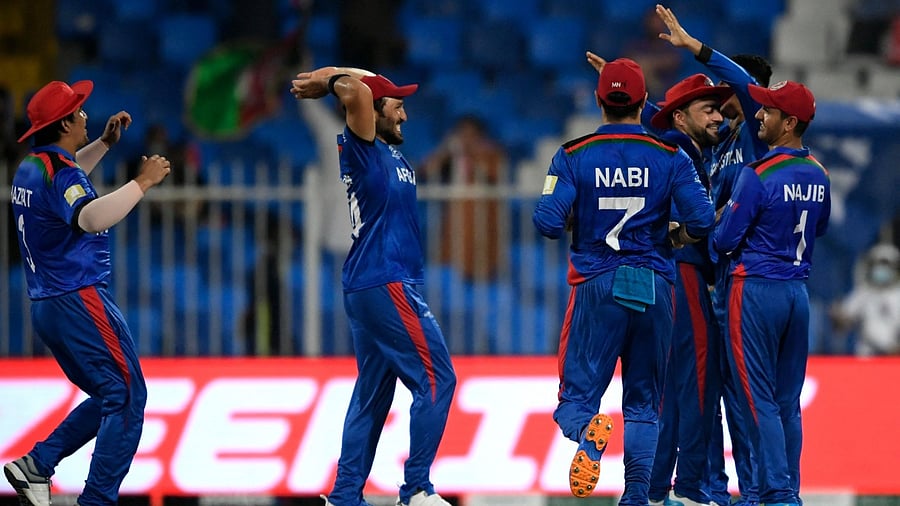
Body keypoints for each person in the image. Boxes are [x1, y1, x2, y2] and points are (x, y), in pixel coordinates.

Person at [532, 56, 715, 504]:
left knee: (574, 401)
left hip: (597, 284)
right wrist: (677, 235)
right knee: (643, 405)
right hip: (654, 284)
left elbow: (546, 222)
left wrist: (582, 215)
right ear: (644, 101)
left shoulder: (572, 155)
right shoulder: (669, 156)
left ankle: (585, 430)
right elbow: (705, 219)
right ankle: (636, 497)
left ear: (599, 102)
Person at [290, 67, 457, 506]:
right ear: (373, 110)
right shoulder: (362, 148)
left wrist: (333, 74)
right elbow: (357, 92)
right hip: (385, 280)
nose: (405, 115)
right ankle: (417, 488)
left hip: (371, 284)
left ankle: (345, 496)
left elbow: (364, 87)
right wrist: (330, 82)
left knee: (372, 395)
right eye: (397, 105)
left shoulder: (385, 152)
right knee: (438, 378)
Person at [3, 80, 171, 506]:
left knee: (111, 394)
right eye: (78, 112)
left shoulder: (32, 165)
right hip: (78, 297)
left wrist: (103, 145)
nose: (84, 116)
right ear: (63, 122)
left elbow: (67, 179)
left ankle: (38, 464)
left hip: (48, 304)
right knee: (129, 396)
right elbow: (88, 217)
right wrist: (142, 183)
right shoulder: (62, 172)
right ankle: (96, 499)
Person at [653, 6, 773, 506]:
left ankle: (754, 491)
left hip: (742, 277)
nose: (724, 108)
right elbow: (671, 127)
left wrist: (694, 47)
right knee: (712, 387)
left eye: (729, 99)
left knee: (741, 395)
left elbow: (742, 84)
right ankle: (711, 488)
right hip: (714, 279)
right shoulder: (717, 144)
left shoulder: (750, 138)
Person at [713, 80, 830, 506]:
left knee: (757, 398)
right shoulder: (819, 172)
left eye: (770, 111)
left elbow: (725, 239)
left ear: (790, 123)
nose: (759, 115)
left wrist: (720, 217)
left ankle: (774, 494)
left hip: (755, 292)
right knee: (787, 402)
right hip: (798, 293)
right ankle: (788, 491)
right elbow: (820, 227)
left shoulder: (757, 174)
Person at [643, 72, 733, 506]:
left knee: (674, 390)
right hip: (684, 273)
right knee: (699, 382)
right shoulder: (680, 152)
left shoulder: (678, 148)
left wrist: (639, 100)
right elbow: (698, 225)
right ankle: (693, 489)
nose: (719, 117)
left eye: (719, 108)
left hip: (669, 276)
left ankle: (656, 490)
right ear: (681, 118)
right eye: (709, 110)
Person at [420, 114, 508, 281]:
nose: (466, 140)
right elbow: (426, 170)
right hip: (454, 219)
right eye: (462, 134)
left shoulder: (491, 154)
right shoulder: (452, 155)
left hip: (484, 219)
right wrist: (445, 149)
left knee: (481, 263)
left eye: (471, 135)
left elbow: (495, 174)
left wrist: (473, 153)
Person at [830, 243, 900, 356]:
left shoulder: (898, 294)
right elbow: (845, 319)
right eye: (876, 264)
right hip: (866, 356)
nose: (880, 268)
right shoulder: (863, 293)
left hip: (893, 356)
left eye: (885, 264)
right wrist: (838, 315)